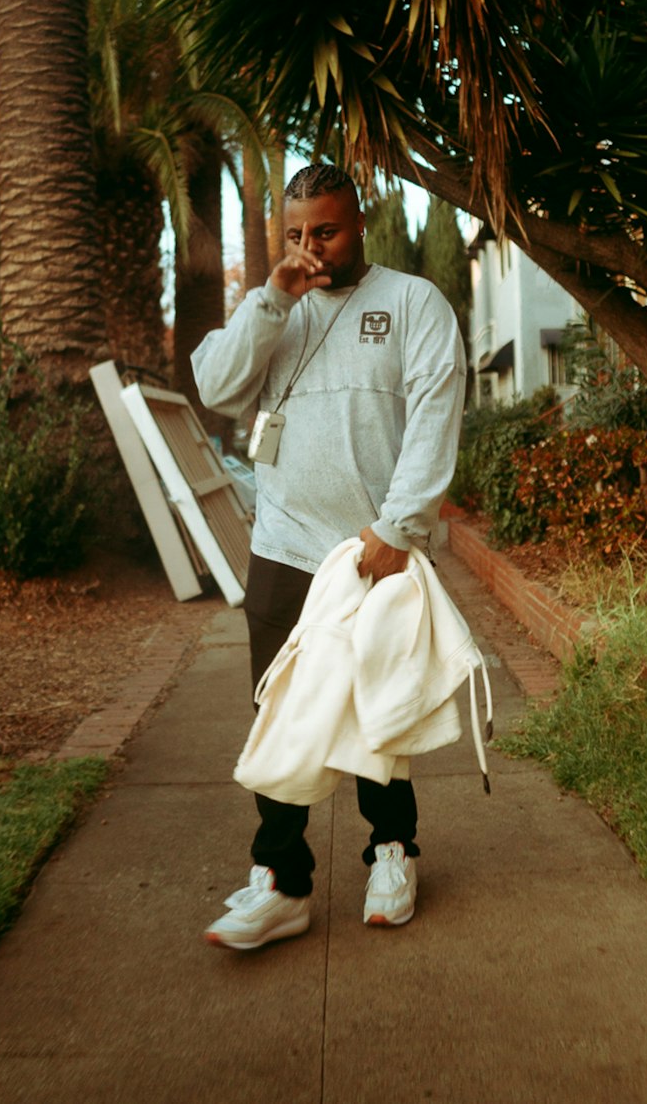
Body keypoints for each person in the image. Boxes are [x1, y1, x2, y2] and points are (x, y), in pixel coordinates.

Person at [191, 163, 466, 949]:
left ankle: (392, 855)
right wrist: (271, 296)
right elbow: (214, 385)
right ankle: (280, 883)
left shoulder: (412, 301)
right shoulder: (276, 307)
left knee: (382, 709)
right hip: (283, 547)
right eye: (296, 233)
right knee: (281, 714)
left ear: (360, 223)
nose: (311, 246)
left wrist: (399, 526)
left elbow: (434, 417)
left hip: (374, 548)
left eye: (326, 231)